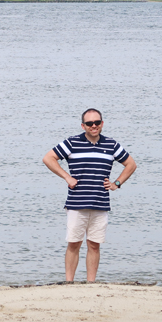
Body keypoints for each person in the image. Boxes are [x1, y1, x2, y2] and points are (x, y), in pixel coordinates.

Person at [42, 108, 137, 282]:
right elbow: (48, 158)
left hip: (100, 203)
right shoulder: (72, 143)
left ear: (102, 124)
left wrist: (117, 183)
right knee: (74, 243)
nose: (94, 126)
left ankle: (90, 283)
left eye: (97, 122)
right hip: (76, 203)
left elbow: (131, 164)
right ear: (83, 125)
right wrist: (67, 177)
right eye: (89, 123)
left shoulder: (111, 145)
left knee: (94, 245)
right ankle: (69, 282)